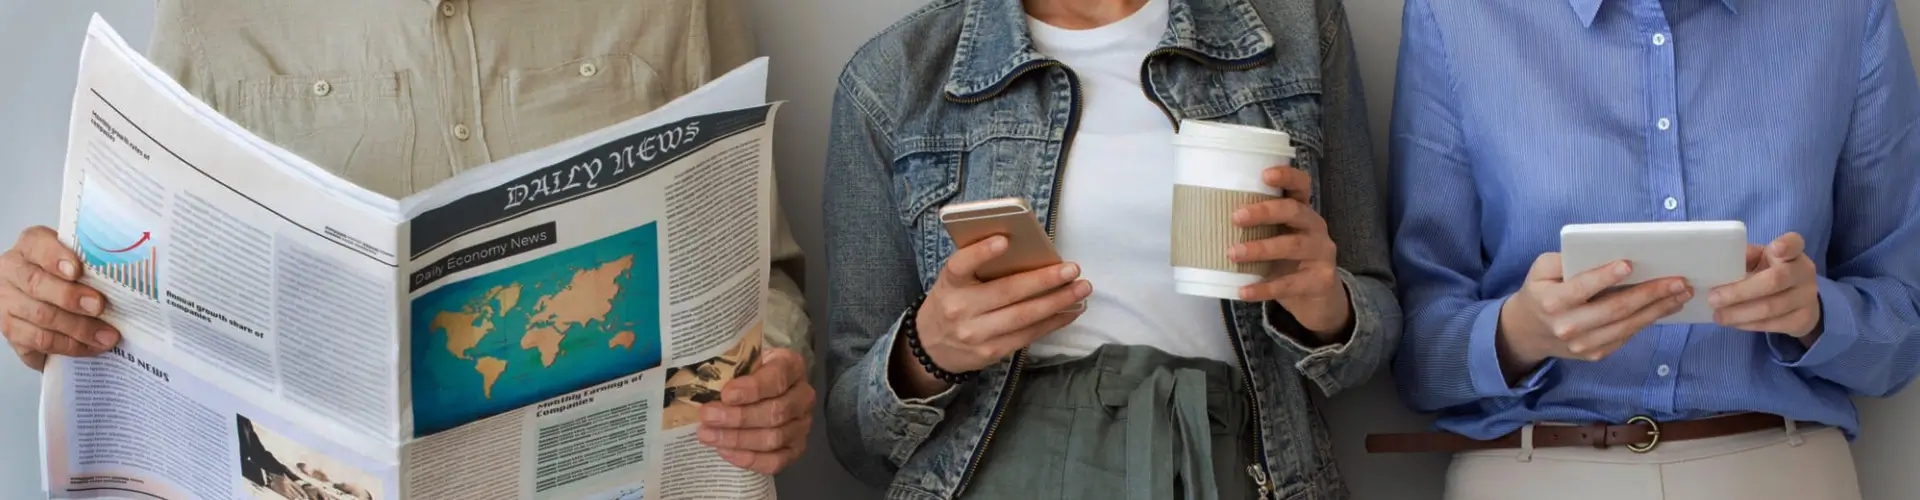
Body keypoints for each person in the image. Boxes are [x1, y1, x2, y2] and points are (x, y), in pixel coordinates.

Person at [0, 0, 815, 475]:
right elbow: (146, 299)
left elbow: (758, 271)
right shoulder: (213, 16)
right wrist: (51, 307)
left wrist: (774, 373)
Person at [821, 0, 1400, 497]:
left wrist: (1327, 310)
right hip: (1001, 474)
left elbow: (1378, 331)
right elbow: (854, 438)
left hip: (1237, 466)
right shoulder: (895, 76)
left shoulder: (1295, 28)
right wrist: (929, 349)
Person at [1382, 0, 1920, 498]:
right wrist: (1519, 335)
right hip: (1531, 470)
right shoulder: (1454, 14)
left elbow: (1906, 326)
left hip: (1781, 467)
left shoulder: (1847, 13)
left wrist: (1815, 316)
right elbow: (1409, 349)